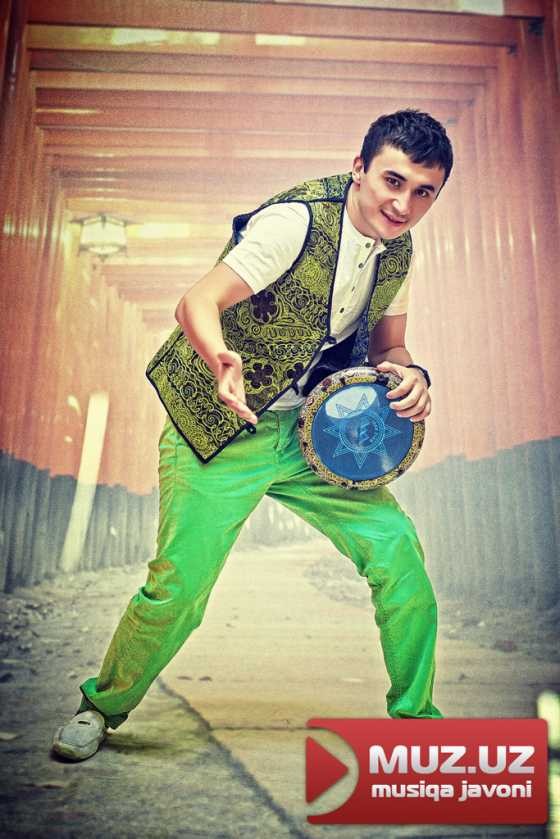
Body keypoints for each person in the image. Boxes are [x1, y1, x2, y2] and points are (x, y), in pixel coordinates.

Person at [52, 109, 453, 761]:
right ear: (359, 169)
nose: (403, 204)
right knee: (180, 585)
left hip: (313, 438)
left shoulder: (400, 251)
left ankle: (418, 723)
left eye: (423, 192)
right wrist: (220, 360)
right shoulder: (294, 223)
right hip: (221, 424)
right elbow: (198, 301)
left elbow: (391, 347)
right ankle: (101, 705)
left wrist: (413, 376)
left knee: (398, 552)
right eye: (393, 181)